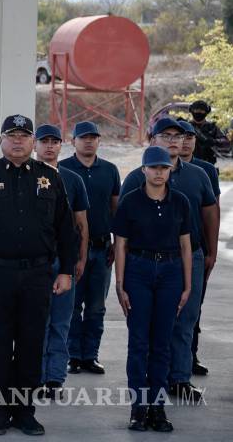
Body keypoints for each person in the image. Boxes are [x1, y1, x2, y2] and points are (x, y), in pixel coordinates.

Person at [0, 114, 76, 436]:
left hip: (38, 274)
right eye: (12, 135)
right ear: (1, 141)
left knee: (30, 345)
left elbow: (66, 229)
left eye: (25, 135)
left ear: (32, 141)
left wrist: (66, 271)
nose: (18, 141)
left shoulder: (50, 178)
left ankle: (25, 411)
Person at [120, 117, 217, 403]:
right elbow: (123, 228)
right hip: (145, 263)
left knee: (185, 318)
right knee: (146, 325)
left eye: (179, 135)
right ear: (153, 140)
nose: (174, 140)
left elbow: (210, 213)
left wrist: (211, 252)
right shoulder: (138, 177)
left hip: (188, 256)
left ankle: (179, 379)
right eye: (166, 135)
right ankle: (148, 384)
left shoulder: (198, 174)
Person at [113, 146, 192, 433]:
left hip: (171, 272)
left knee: (162, 342)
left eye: (164, 168)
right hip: (138, 270)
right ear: (143, 170)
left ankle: (157, 407)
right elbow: (120, 244)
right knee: (139, 343)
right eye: (154, 168)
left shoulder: (180, 201)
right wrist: (120, 284)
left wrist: (187, 285)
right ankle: (139, 407)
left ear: (170, 170)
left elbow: (186, 245)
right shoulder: (130, 201)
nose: (159, 173)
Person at [59, 121, 120, 375]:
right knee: (72, 305)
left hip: (102, 248)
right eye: (83, 137)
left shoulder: (110, 170)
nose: (88, 141)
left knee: (97, 307)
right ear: (73, 141)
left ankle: (90, 355)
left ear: (98, 141)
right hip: (73, 250)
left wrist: (118, 243)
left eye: (93, 137)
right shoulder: (62, 170)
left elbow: (116, 208)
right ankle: (72, 355)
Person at [34, 124, 90, 398]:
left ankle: (55, 377)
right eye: (44, 141)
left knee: (60, 322)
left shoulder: (73, 179)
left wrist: (79, 259)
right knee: (36, 322)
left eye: (54, 142)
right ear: (35, 145)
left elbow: (81, 224)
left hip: (63, 262)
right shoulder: (26, 176)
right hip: (35, 264)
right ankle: (36, 376)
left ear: (61, 145)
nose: (49, 146)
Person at [177, 119, 220, 376]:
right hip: (165, 252)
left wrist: (211, 252)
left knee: (194, 308)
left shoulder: (205, 171)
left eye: (190, 137)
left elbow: (211, 212)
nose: (185, 141)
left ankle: (189, 357)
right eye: (180, 136)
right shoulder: (159, 167)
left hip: (196, 248)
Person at [188, 99, 229, 164]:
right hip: (189, 163)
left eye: (201, 110)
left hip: (208, 163)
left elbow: (226, 142)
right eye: (196, 110)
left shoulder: (212, 127)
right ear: (191, 111)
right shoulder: (186, 126)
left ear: (206, 112)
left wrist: (214, 141)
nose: (198, 112)